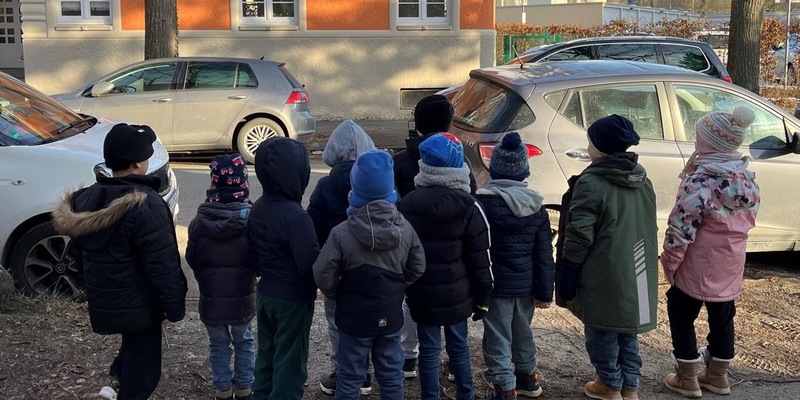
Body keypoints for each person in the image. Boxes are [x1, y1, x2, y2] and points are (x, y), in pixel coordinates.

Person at [52, 123, 187, 400]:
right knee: (145, 370)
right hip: (142, 304)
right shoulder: (146, 205)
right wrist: (175, 307)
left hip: (106, 300)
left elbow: (77, 254)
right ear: (138, 164)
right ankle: (127, 391)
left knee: (133, 345)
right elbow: (163, 265)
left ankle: (115, 383)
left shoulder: (88, 198)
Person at [556, 115, 658, 400]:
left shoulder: (592, 182)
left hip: (602, 271)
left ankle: (610, 384)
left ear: (598, 148)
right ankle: (630, 386)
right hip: (636, 270)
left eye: (590, 142)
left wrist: (569, 271)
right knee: (627, 331)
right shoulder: (641, 179)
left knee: (601, 331)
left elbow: (579, 235)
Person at [661, 107, 760, 398]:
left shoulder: (699, 181)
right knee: (723, 315)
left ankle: (687, 377)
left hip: (698, 264)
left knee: (680, 312)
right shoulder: (747, 180)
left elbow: (681, 228)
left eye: (698, 138)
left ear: (708, 143)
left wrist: (670, 262)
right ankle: (718, 376)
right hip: (731, 263)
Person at [313, 150, 426, 400]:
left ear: (355, 188)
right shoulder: (405, 228)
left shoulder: (341, 233)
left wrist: (335, 292)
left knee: (351, 375)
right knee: (391, 373)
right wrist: (399, 283)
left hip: (353, 318)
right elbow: (418, 266)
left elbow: (322, 273)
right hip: (390, 314)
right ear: (390, 188)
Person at [397, 132, 493, 400]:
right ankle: (466, 393)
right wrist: (484, 295)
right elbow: (480, 256)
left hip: (421, 293)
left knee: (428, 350)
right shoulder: (470, 206)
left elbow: (401, 253)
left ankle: (430, 396)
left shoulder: (407, 205)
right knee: (459, 348)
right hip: (457, 295)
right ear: (457, 166)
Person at [392, 94, 477, 379]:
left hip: (411, 247)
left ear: (416, 124)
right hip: (453, 251)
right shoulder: (458, 159)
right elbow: (470, 198)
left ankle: (408, 357)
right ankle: (455, 363)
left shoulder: (400, 162)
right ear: (449, 125)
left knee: (412, 303)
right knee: (453, 312)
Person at [474, 132, 555, 400]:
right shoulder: (538, 207)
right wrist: (545, 291)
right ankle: (528, 378)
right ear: (524, 171)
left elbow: (476, 248)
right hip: (527, 286)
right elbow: (545, 253)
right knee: (523, 332)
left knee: (497, 336)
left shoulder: (483, 203)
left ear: (495, 168)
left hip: (496, 286)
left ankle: (505, 388)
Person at [306, 120, 377, 396]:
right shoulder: (376, 180)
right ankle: (366, 373)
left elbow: (313, 228)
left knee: (337, 321)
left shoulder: (325, 185)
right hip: (372, 267)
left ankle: (344, 372)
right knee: (369, 319)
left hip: (337, 268)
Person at [248, 137, 320, 400]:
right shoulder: (298, 217)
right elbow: (309, 265)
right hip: (293, 299)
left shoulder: (258, 207)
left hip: (265, 292)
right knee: (290, 363)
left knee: (267, 355)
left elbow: (251, 250)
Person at [186, 153, 256, 400]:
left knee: (218, 345)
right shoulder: (251, 220)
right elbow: (258, 260)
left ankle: (222, 389)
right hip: (242, 299)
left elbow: (192, 258)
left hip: (211, 299)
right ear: (243, 183)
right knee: (244, 341)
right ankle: (245, 387)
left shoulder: (199, 221)